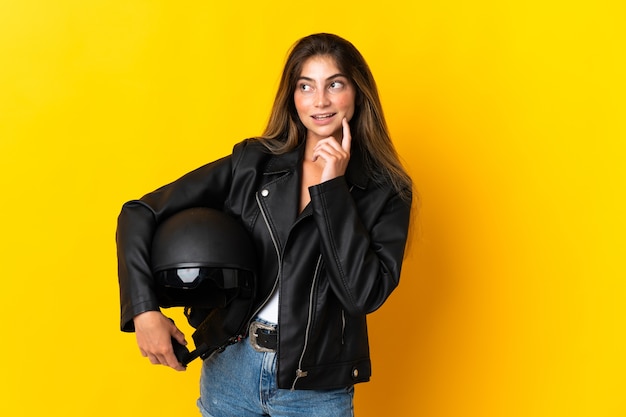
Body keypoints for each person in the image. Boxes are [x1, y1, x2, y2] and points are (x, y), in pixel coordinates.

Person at [116, 32, 413, 417]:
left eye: (334, 84)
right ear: (293, 97)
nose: (320, 101)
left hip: (316, 389)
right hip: (231, 373)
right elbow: (139, 211)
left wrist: (332, 191)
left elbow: (362, 295)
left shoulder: (387, 192)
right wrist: (144, 310)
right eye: (306, 86)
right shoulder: (253, 164)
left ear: (357, 93)